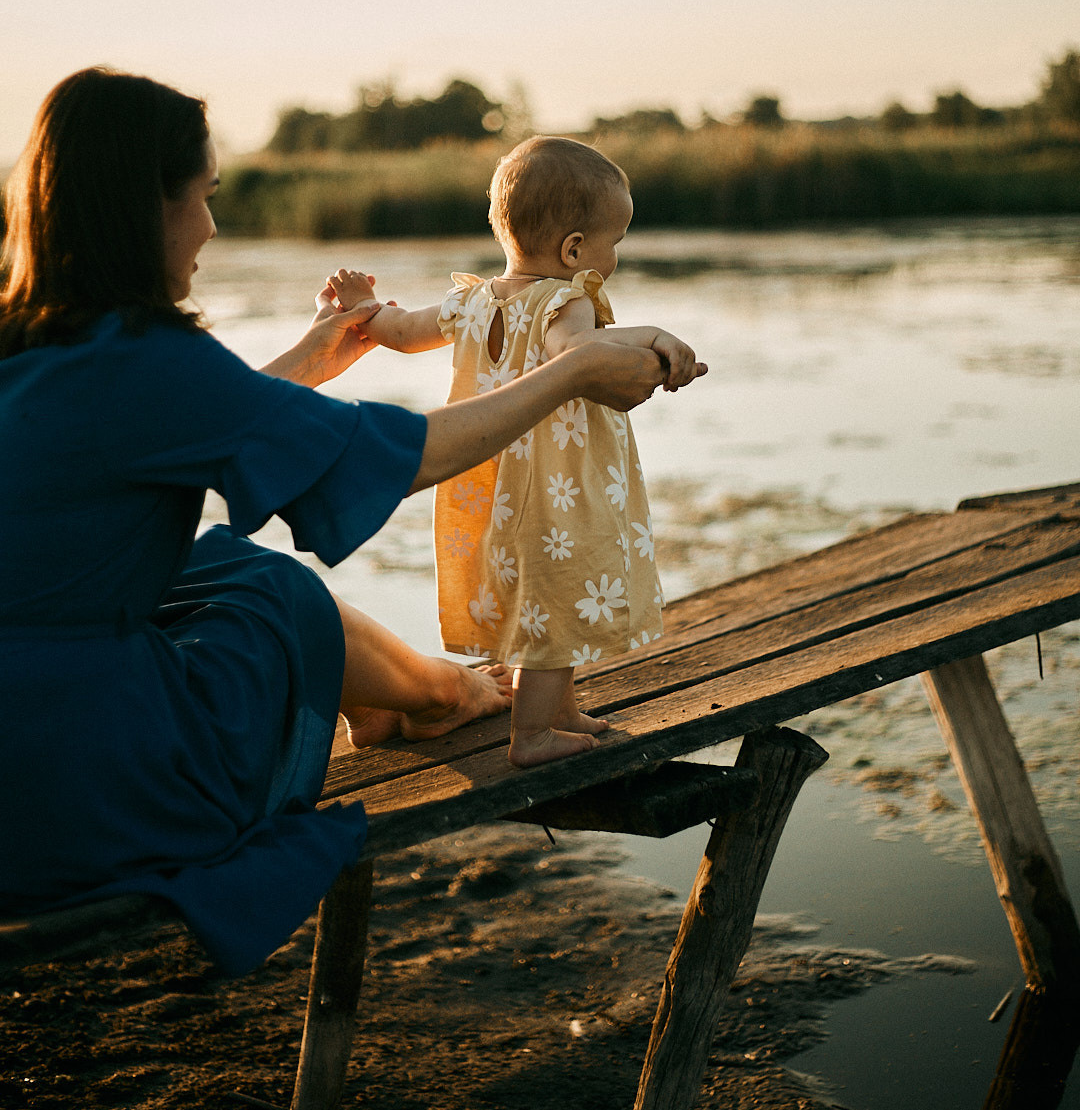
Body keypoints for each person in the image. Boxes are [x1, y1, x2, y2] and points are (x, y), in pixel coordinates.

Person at [0, 72, 665, 976]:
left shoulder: (29, 341)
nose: (211, 228)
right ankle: (444, 695)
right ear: (139, 208)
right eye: (203, 199)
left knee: (213, 565)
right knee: (270, 592)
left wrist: (313, 357)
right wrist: (571, 374)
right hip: (75, 771)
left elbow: (176, 425)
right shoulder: (146, 356)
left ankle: (418, 697)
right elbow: (406, 454)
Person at [320, 135, 707, 769]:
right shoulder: (567, 300)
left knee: (541, 592)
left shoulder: (469, 301)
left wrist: (361, 307)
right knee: (557, 596)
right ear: (575, 248)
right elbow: (576, 356)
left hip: (488, 477)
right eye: (615, 242)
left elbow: (398, 332)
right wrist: (654, 338)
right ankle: (532, 736)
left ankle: (560, 710)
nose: (615, 256)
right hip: (557, 484)